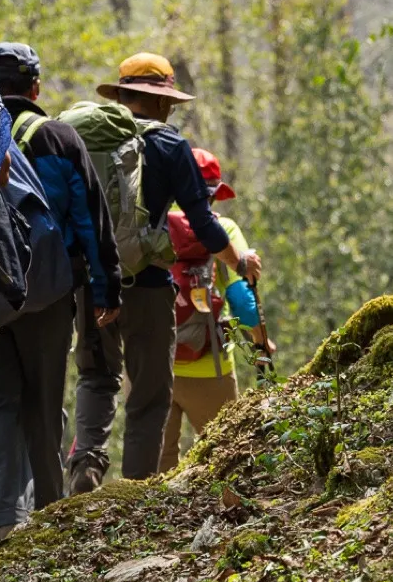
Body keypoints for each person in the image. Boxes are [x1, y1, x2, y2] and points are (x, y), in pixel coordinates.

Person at [65, 54, 261, 491]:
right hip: (148, 283)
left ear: (122, 95)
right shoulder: (171, 146)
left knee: (97, 377)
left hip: (91, 279)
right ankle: (136, 493)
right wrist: (238, 261)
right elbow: (204, 224)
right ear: (161, 101)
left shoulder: (89, 139)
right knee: (150, 396)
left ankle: (87, 467)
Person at [0, 43, 122, 544]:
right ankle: (51, 518)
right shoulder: (60, 137)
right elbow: (89, 219)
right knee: (43, 402)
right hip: (49, 291)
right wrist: (105, 290)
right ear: (36, 88)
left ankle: (4, 519)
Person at [159, 148, 274, 473]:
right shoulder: (223, 230)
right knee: (225, 461)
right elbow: (241, 301)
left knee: (157, 470)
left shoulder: (154, 224)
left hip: (154, 366)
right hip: (209, 366)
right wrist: (261, 341)